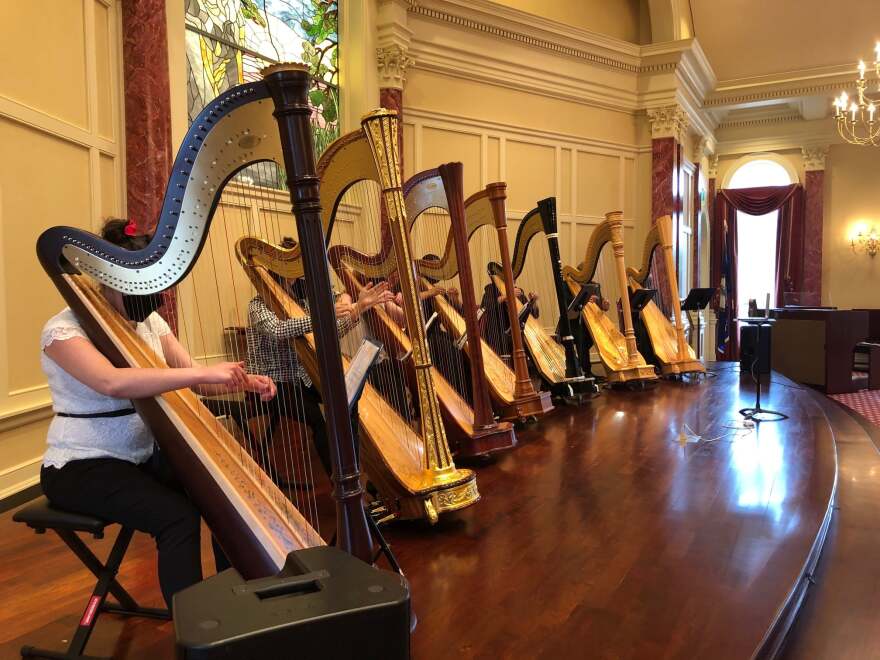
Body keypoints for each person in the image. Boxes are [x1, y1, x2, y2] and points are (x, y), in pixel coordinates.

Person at [39, 218, 277, 610]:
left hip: (140, 457)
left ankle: (238, 604)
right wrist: (201, 372)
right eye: (142, 282)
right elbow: (112, 382)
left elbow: (199, 381)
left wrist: (243, 381)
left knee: (222, 491)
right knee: (177, 517)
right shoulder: (63, 331)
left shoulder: (149, 320)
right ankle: (198, 628)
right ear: (110, 278)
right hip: (82, 466)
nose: (154, 293)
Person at [245, 273, 393, 479]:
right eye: (291, 276)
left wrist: (358, 308)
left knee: (347, 401)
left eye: (296, 277)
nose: (295, 281)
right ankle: (340, 482)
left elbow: (329, 332)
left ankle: (357, 472)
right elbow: (278, 330)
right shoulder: (257, 305)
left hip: (303, 378)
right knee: (318, 418)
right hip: (269, 383)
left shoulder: (302, 304)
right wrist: (323, 314)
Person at [480, 261, 539, 361]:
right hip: (498, 331)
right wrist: (505, 296)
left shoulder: (518, 291)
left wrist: (533, 302)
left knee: (533, 345)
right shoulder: (490, 289)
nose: (513, 279)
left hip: (518, 332)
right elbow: (486, 307)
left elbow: (534, 315)